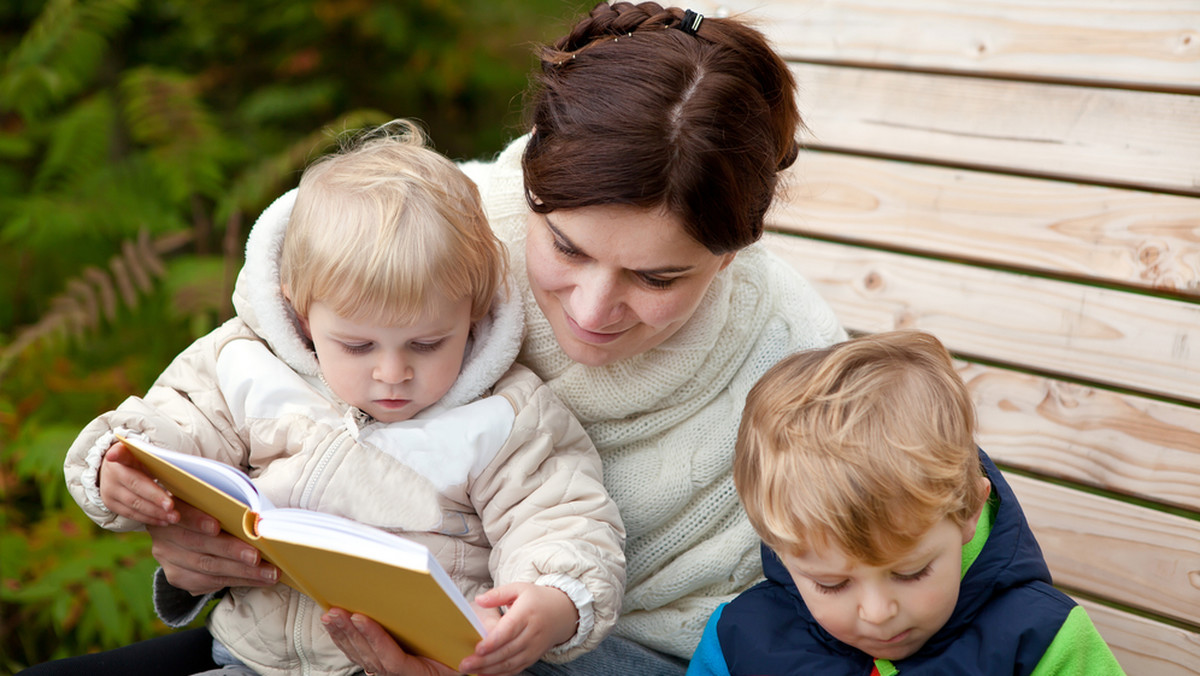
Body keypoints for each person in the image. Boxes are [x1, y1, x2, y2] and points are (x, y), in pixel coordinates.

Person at [43, 3, 847, 675]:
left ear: (736, 252)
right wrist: (190, 547)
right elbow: (224, 412)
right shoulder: (427, 234)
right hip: (275, 640)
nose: (595, 309)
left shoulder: (796, 370)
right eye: (565, 248)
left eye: (659, 279)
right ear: (532, 177)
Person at [45, 120, 626, 676]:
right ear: (301, 311)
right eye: (356, 344)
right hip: (251, 657)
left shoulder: (505, 416)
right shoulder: (246, 364)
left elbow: (560, 518)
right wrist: (118, 468)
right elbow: (169, 425)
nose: (392, 374)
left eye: (427, 344)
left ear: (473, 314)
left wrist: (552, 603)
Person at [688, 330, 1125, 676]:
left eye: (912, 572)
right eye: (832, 584)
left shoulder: (1041, 642)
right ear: (778, 545)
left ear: (970, 511)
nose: (878, 614)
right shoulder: (739, 643)